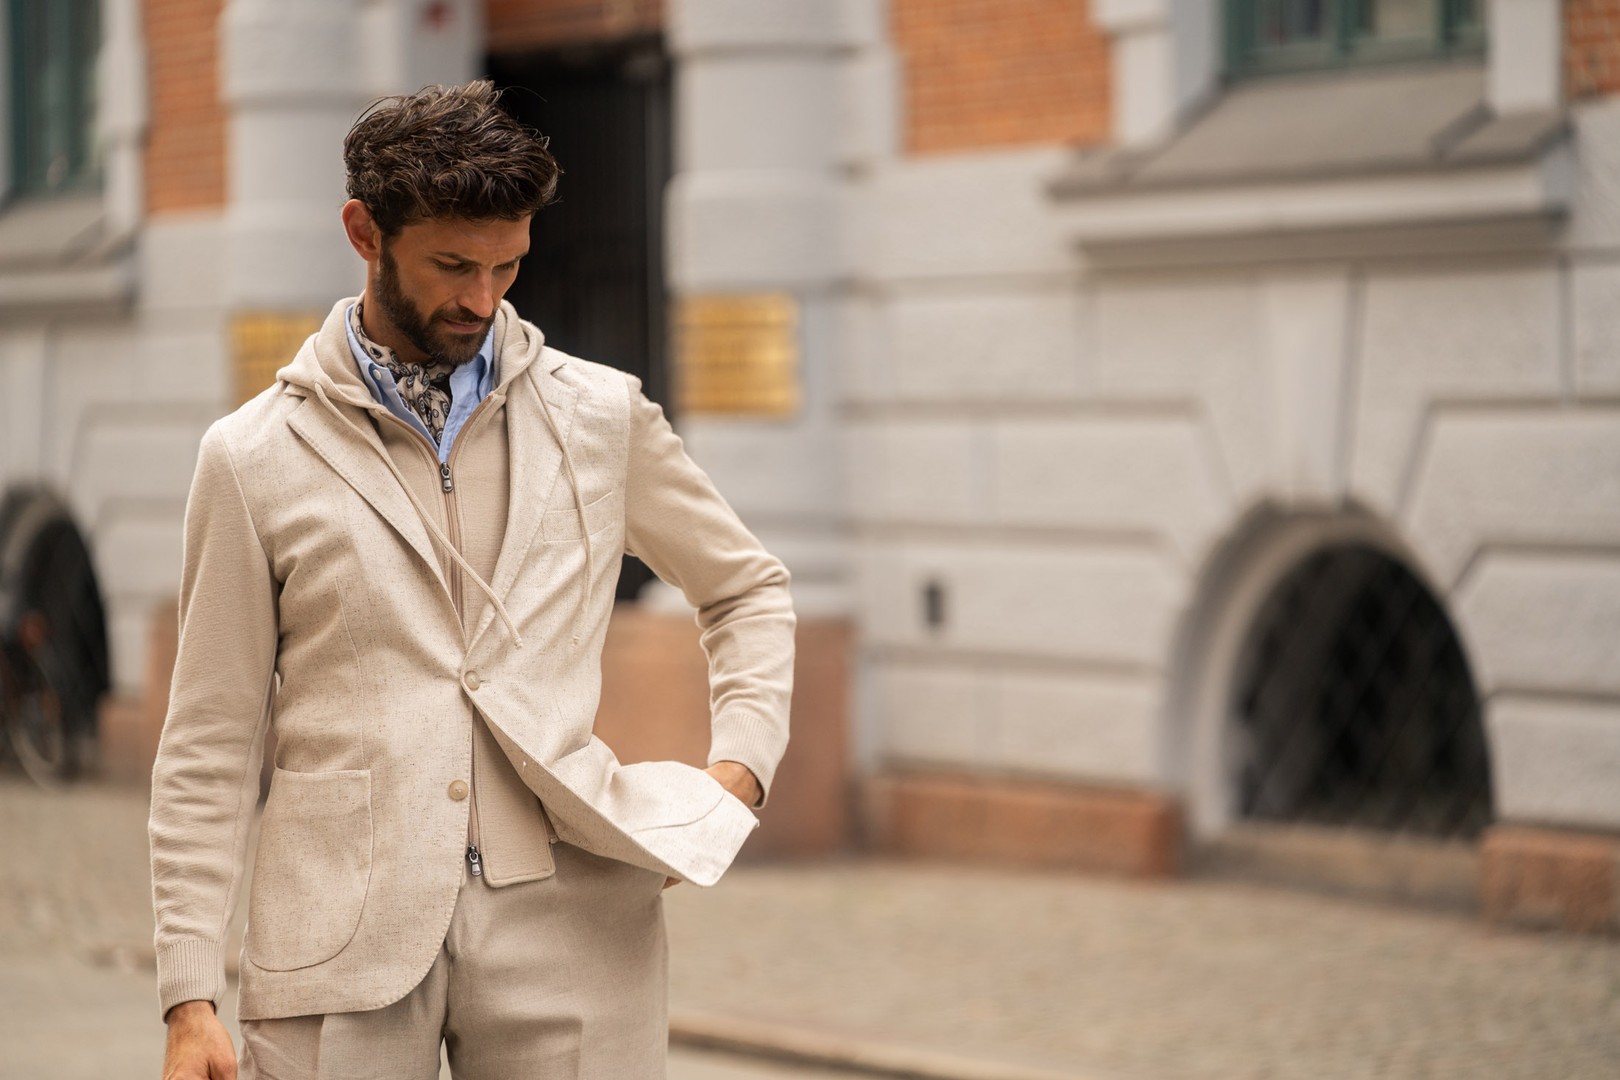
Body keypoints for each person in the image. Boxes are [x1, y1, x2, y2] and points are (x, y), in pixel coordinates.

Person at [149, 80, 794, 1080]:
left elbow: (746, 589)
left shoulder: (600, 417)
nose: (481, 300)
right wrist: (189, 993)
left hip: (575, 931)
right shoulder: (253, 457)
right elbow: (209, 737)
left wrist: (736, 776)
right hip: (337, 942)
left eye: (507, 267)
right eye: (452, 265)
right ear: (365, 233)